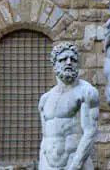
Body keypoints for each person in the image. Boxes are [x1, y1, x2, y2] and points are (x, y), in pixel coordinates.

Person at [38, 42, 100, 170]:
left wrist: (76, 165)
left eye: (73, 59)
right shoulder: (45, 99)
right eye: (63, 59)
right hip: (48, 165)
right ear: (54, 65)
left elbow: (90, 132)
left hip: (75, 163)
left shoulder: (86, 92)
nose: (68, 62)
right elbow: (45, 138)